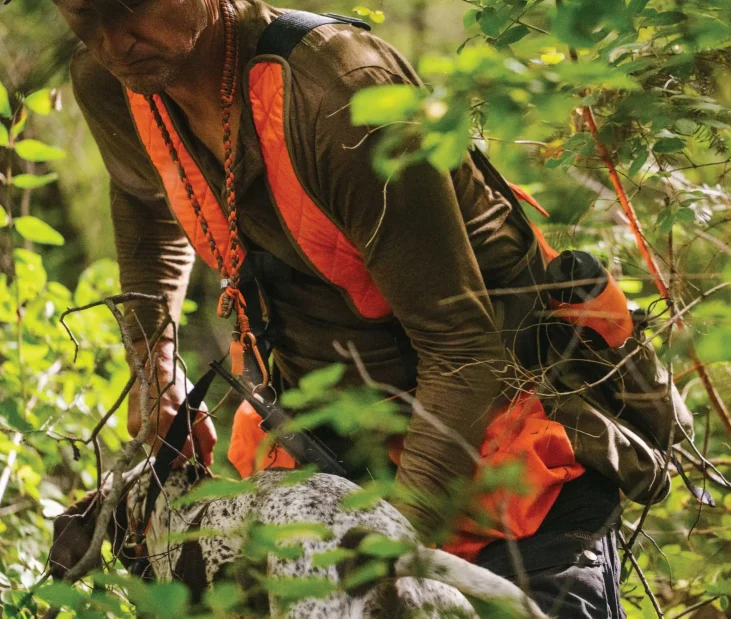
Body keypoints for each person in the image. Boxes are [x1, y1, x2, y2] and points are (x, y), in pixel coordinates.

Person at [54, 0, 691, 614]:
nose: (113, 41)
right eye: (85, 14)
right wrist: (153, 365)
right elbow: (142, 195)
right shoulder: (119, 82)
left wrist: (386, 563)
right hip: (330, 462)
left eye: (132, 4)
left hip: (513, 470)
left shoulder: (340, 98)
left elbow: (465, 354)